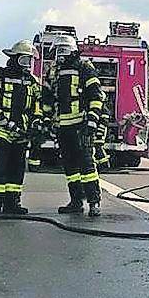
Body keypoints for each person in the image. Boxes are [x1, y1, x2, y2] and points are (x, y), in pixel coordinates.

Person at [0, 40, 42, 215]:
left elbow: (39, 104)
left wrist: (37, 122)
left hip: (21, 134)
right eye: (24, 60)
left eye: (29, 61)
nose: (27, 65)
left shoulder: (32, 82)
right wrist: (0, 119)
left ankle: (12, 203)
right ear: (14, 58)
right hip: (1, 132)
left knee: (17, 170)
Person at [42, 35, 105, 216]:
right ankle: (76, 201)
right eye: (57, 52)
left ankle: (94, 203)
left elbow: (96, 96)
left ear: (71, 50)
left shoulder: (84, 68)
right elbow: (46, 98)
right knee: (70, 168)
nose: (60, 55)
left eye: (63, 51)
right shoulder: (53, 72)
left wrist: (92, 121)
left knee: (87, 166)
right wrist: (46, 121)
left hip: (81, 126)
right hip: (63, 128)